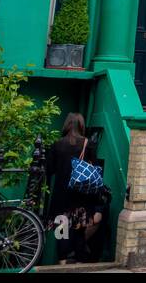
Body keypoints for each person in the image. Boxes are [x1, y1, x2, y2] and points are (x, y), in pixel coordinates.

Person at [45, 113, 110, 264]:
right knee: (79, 230)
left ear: (66, 125)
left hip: (61, 194)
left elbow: (50, 169)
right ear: (81, 126)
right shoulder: (87, 144)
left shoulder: (57, 144)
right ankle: (79, 261)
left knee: (61, 230)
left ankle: (62, 261)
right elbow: (94, 170)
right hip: (81, 194)